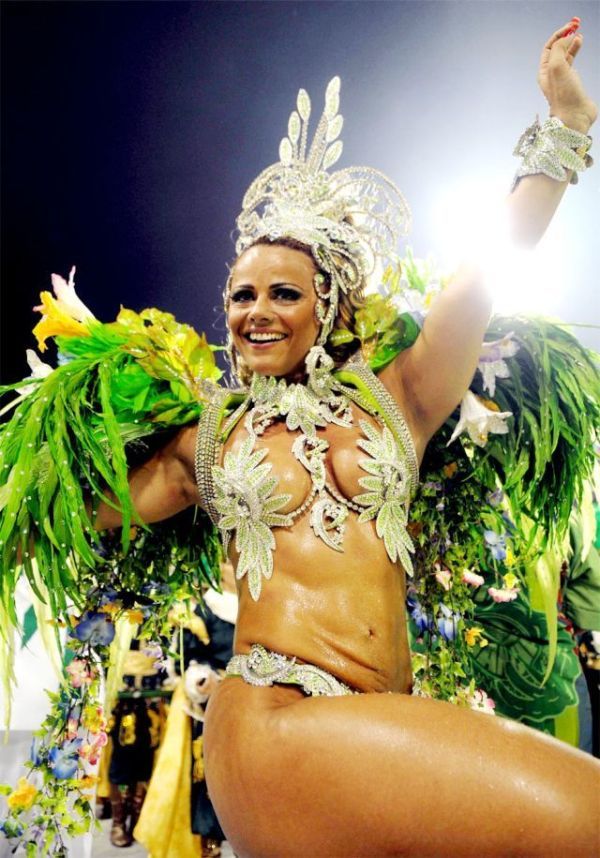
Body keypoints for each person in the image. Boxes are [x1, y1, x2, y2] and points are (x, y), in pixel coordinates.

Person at [2, 19, 598, 858]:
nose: (254, 312)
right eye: (241, 295)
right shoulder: (209, 437)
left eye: (282, 292)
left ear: (329, 306)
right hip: (275, 723)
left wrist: (566, 125)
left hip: (370, 721)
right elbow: (68, 517)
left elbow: (479, 278)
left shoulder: (405, 396)